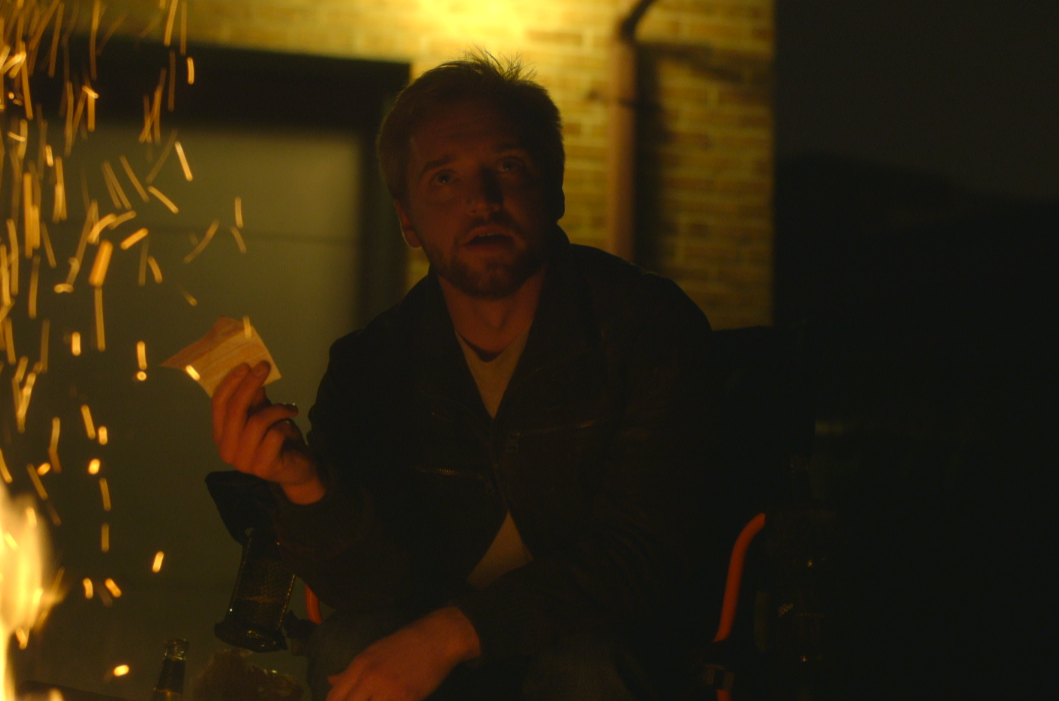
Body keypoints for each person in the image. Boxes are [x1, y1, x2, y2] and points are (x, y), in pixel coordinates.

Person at [209, 52, 727, 701]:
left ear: (555, 190)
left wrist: (453, 633)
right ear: (407, 219)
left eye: (508, 167)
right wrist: (303, 482)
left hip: (596, 637)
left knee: (588, 671)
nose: (481, 201)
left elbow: (640, 557)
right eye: (443, 178)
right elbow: (364, 589)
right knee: (348, 647)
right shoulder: (373, 363)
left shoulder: (643, 327)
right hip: (438, 638)